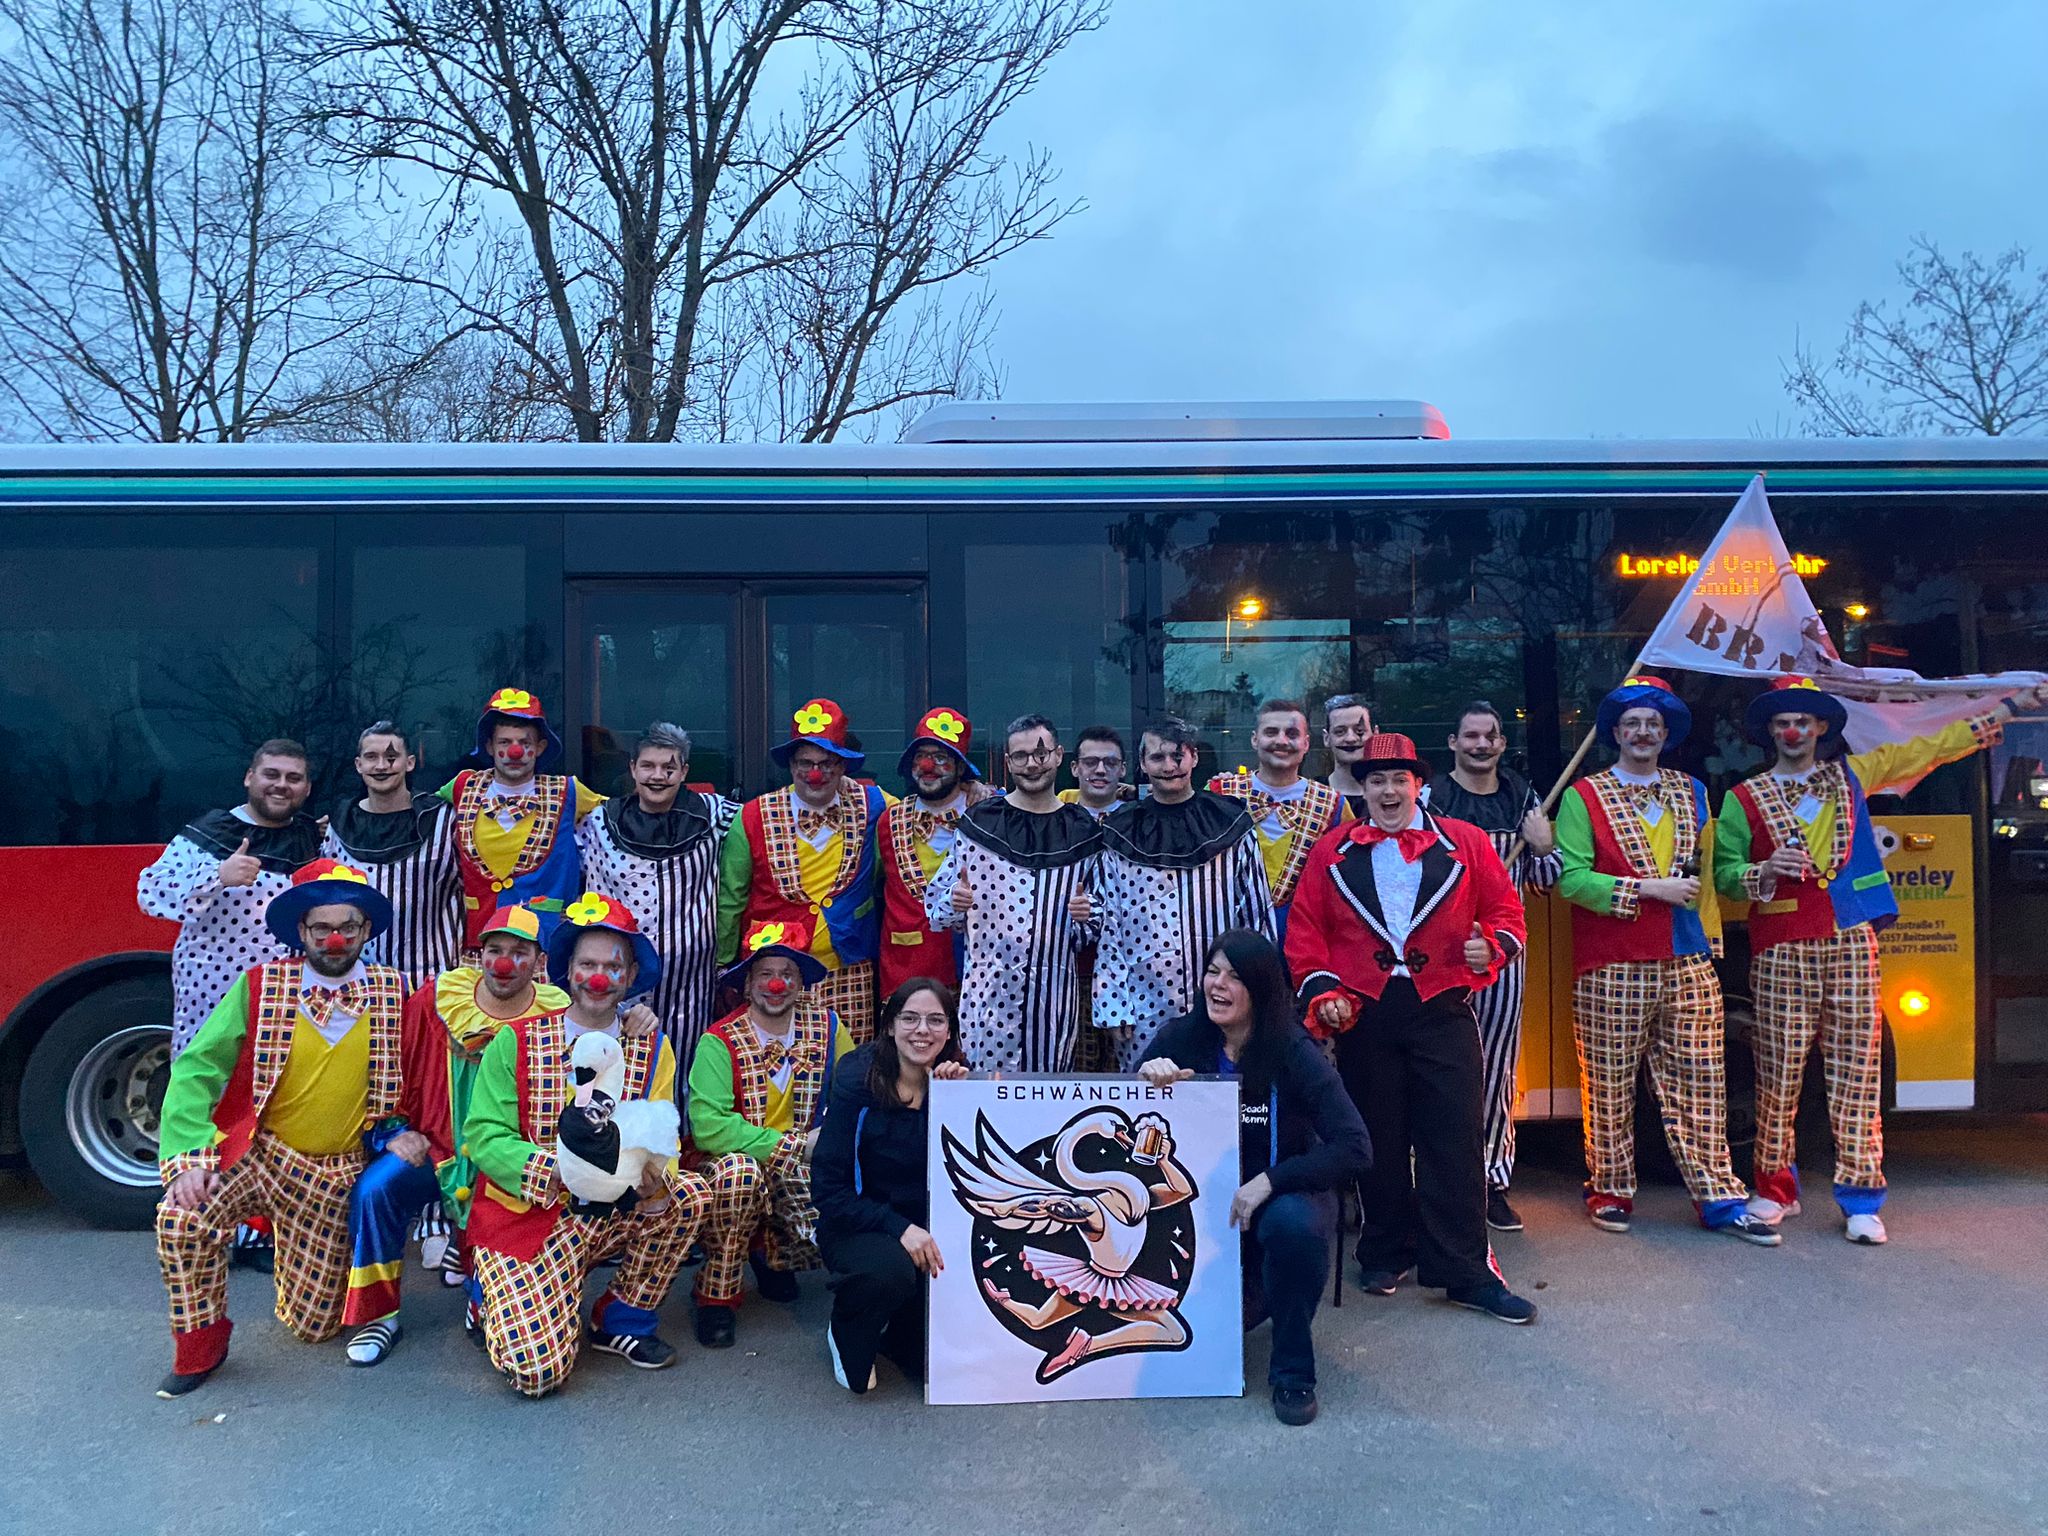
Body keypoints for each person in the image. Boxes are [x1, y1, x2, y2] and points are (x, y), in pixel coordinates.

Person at [1714, 676, 2042, 1245]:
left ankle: (1862, 1199)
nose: (1792, 731)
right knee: (1777, 1074)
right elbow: (1724, 873)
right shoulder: (1742, 799)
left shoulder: (1853, 775)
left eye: (1802, 721)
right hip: (1780, 944)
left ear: (1819, 728)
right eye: (1782, 723)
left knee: (1857, 1073)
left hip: (1851, 936)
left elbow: (1930, 748)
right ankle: (1775, 1190)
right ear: (1770, 733)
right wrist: (1760, 872)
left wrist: (2009, 708)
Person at [1286, 732, 1540, 1323]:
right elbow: (1306, 931)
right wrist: (1322, 990)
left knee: (1454, 1138)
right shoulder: (1331, 851)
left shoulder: (1466, 842)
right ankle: (1385, 1250)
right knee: (1377, 1135)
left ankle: (1466, 1271)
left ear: (1419, 785)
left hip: (1442, 1006)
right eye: (1376, 780)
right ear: (1362, 789)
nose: (1388, 790)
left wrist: (1491, 947)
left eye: (1399, 779)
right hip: (1367, 1010)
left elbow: (1508, 914)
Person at [151, 860, 408, 1396]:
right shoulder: (261, 984)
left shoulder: (395, 992)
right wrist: (189, 1158)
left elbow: (433, 1064)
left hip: (332, 1174)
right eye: (322, 928)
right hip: (259, 1155)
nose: (335, 940)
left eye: (348, 927)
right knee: (181, 1218)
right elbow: (198, 1068)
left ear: (365, 929)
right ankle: (199, 1348)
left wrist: (408, 1131)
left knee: (313, 1327)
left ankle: (304, 1263)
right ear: (301, 931)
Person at [1555, 677, 1778, 1245]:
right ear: (1615, 733)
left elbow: (1717, 871)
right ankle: (1609, 1189)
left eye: (1652, 724)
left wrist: (1758, 876)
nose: (1642, 732)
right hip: (1612, 961)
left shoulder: (1694, 792)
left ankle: (1718, 1196)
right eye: (1632, 723)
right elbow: (1572, 880)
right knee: (1609, 1085)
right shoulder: (1584, 796)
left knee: (1702, 1080)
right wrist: (1647, 889)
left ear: (1665, 733)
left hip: (1687, 956)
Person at [464, 892, 708, 1396]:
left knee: (686, 1195)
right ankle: (489, 1292)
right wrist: (558, 1169)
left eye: (612, 967)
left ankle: (620, 1319)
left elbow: (661, 1132)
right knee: (537, 1373)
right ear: (567, 970)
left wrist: (652, 1179)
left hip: (613, 1209)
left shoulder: (653, 1047)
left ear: (630, 976)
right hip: (531, 1219)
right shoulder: (515, 1040)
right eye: (588, 965)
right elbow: (483, 1135)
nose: (599, 978)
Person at [1139, 930, 1371, 1427]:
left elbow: (1355, 1147)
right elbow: (1123, 1125)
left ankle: (1293, 1373)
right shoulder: (1180, 1039)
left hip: (1273, 1205)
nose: (1217, 985)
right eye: (1212, 971)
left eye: (1234, 977)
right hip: (1195, 1214)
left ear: (1262, 989)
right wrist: (1147, 1081)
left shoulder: (1293, 1050)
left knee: (1293, 1224)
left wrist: (1272, 1180)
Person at [359, 905, 571, 1356]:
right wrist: (394, 1129)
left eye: (519, 953)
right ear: (479, 955)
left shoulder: (559, 1014)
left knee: (496, 1319)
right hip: (439, 1149)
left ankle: (481, 1281)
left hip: (508, 1160)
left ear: (539, 962)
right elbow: (394, 1065)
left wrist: (636, 1019)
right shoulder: (438, 1000)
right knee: (375, 1189)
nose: (504, 963)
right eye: (495, 950)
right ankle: (378, 1317)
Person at [1421, 700, 1562, 1233]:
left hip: (1502, 955)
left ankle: (1490, 1181)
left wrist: (1544, 847)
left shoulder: (1524, 798)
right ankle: (1436, 1181)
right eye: (1471, 736)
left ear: (1502, 743)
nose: (1481, 745)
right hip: (1438, 956)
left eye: (1490, 736)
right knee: (1435, 1068)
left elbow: (1546, 881)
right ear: (1453, 743)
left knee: (1496, 1067)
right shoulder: (1431, 799)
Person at [686, 917, 857, 1349]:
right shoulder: (718, 1041)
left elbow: (855, 1095)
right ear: (747, 984)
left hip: (805, 1166)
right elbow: (708, 1127)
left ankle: (772, 1255)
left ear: (801, 983)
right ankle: (716, 1295)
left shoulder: (829, 1028)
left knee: (837, 1204)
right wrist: (793, 1146)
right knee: (739, 1177)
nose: (776, 985)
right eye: (765, 974)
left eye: (787, 974)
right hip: (739, 1165)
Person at [1084, 716, 1275, 1071]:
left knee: (1224, 1091)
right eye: (1158, 757)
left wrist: (1261, 993)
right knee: (1150, 1094)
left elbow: (1256, 915)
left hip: (1225, 999)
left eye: (1178, 756)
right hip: (1143, 1002)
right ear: (1143, 764)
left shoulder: (1231, 825)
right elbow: (1110, 923)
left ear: (1194, 757)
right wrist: (1113, 1004)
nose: (1169, 767)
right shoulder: (1120, 832)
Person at [812, 976, 970, 1395]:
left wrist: (959, 1101)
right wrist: (899, 1227)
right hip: (860, 1225)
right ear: (889, 1026)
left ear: (949, 1030)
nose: (923, 1031)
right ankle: (846, 1325)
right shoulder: (856, 1084)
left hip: (927, 1228)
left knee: (926, 1363)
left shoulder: (955, 1084)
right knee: (889, 1274)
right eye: (910, 1018)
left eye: (936, 1020)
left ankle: (902, 1327)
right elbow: (828, 1189)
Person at [926, 714, 1102, 1072]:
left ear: (1058, 755)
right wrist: (954, 901)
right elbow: (936, 910)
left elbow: (1100, 920)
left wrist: (1087, 915)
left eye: (1041, 754)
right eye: (1020, 756)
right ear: (1008, 762)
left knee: (1047, 1096)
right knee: (984, 1095)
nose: (1032, 764)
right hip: (987, 1003)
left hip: (1054, 1005)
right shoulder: (979, 825)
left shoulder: (1084, 831)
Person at [717, 697, 891, 1041]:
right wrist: (723, 964)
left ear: (842, 765)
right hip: (777, 971)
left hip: (849, 970)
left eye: (826, 763)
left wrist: (971, 792)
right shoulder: (752, 816)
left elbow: (921, 818)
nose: (815, 774)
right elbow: (731, 898)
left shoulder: (875, 805)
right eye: (805, 763)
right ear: (791, 765)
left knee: (848, 1062)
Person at [138, 738, 323, 1054]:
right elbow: (151, 891)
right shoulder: (212, 830)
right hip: (213, 993)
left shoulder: (311, 837)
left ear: (306, 789)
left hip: (291, 996)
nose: (281, 785)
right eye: (271, 774)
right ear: (250, 777)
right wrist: (218, 876)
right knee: (208, 1074)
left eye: (293, 778)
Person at [577, 721, 739, 1068]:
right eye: (648, 765)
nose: (658, 776)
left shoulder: (716, 816)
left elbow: (758, 829)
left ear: (684, 772)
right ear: (632, 768)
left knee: (683, 1067)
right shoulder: (599, 822)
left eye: (669, 767)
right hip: (619, 979)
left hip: (689, 986)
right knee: (616, 1067)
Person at [441, 687, 604, 957]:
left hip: (545, 946)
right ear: (490, 747)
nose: (515, 752)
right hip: (480, 944)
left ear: (540, 747)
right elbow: (417, 812)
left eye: (525, 743)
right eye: (504, 742)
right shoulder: (462, 786)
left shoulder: (569, 792)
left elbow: (617, 820)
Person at [322, 720, 462, 992]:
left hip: (435, 982)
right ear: (358, 765)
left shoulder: (443, 820)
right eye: (371, 757)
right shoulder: (340, 823)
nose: (381, 766)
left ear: (409, 763)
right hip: (359, 982)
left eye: (391, 757)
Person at [1208, 698, 1350, 940]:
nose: (1281, 741)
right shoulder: (1220, 794)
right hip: (1230, 938)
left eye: (1292, 734)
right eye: (1271, 732)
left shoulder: (1333, 805)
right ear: (1255, 739)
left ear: (1306, 743)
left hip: (1305, 942)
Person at [875, 707, 987, 999]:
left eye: (940, 757)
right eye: (921, 756)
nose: (927, 766)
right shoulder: (888, 819)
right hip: (907, 965)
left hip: (976, 966)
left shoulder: (987, 812)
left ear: (960, 767)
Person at [1060, 724, 1135, 818]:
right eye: (1090, 762)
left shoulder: (1139, 820)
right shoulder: (1059, 820)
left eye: (1110, 763)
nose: (1100, 770)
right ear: (1074, 768)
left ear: (1122, 769)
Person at [1321, 694, 1375, 817]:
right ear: (1326, 738)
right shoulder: (1311, 796)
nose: (1350, 739)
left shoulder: (1391, 798)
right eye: (1340, 732)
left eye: (1359, 731)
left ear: (1375, 734)